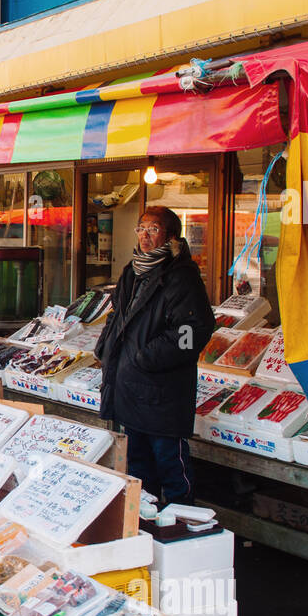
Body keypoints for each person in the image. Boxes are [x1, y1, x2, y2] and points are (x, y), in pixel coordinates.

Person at [94, 205, 214, 506]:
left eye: (154, 229)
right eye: (141, 228)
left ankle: (183, 526)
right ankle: (146, 525)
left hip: (162, 391)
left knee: (170, 464)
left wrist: (145, 357)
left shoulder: (181, 276)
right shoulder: (132, 272)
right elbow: (117, 317)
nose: (145, 235)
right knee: (137, 467)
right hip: (129, 389)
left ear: (171, 236)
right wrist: (106, 349)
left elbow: (193, 332)